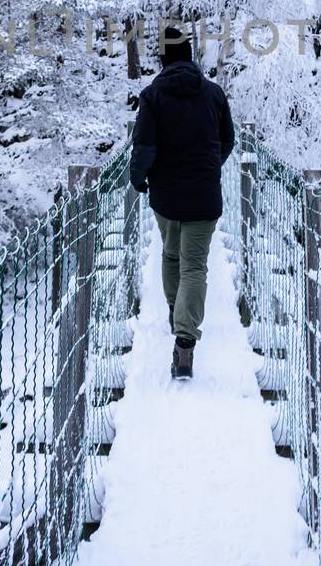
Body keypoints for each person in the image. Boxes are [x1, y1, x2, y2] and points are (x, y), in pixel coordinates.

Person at [129, 26, 235, 379]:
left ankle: (179, 312)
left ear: (162, 58)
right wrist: (208, 167)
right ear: (189, 55)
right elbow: (227, 141)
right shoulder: (214, 94)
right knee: (195, 266)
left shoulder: (152, 95)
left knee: (171, 255)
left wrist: (138, 177)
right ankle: (185, 341)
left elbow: (144, 147)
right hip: (204, 197)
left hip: (166, 196)